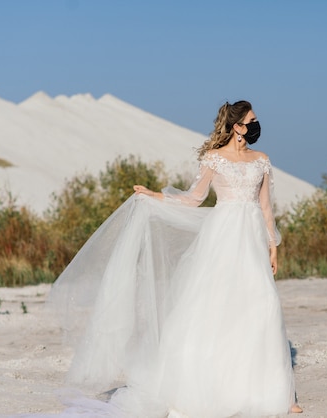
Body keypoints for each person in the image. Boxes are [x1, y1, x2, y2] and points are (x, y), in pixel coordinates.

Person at [47, 100, 302, 417]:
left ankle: (277, 393)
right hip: (222, 238)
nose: (255, 124)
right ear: (237, 126)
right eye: (251, 120)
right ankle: (211, 388)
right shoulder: (214, 159)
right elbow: (194, 199)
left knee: (263, 304)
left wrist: (272, 244)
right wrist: (156, 196)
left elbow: (265, 207)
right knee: (216, 308)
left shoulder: (261, 160)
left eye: (255, 119)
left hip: (251, 240)